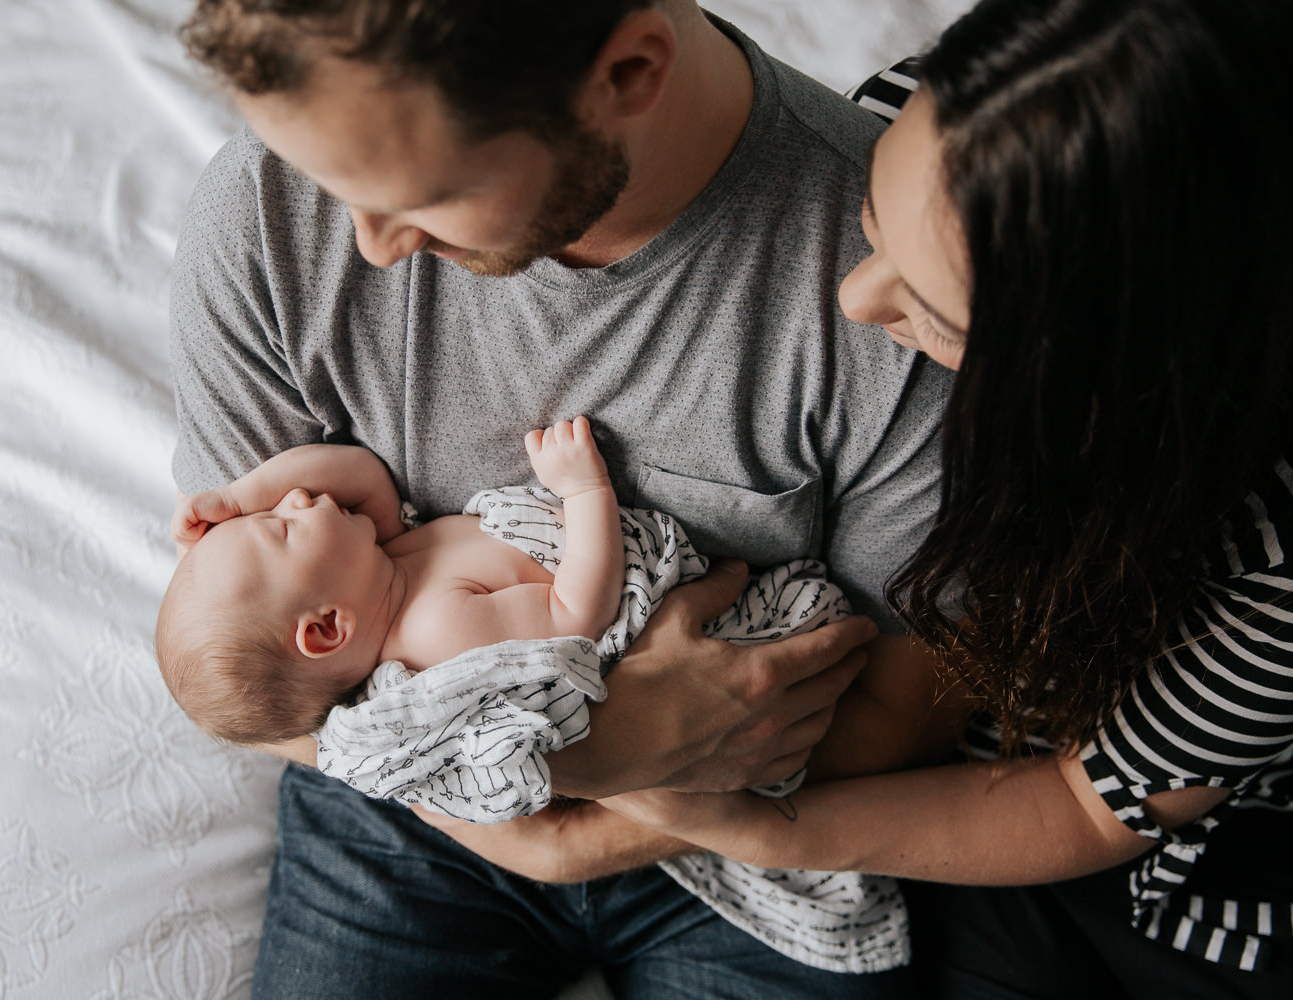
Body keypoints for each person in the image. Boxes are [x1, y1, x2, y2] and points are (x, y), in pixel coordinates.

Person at [487, 0, 1290, 996]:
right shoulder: (944, 124)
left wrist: (756, 828)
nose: (854, 299)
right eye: (871, 217)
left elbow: (1082, 809)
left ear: (1125, 388)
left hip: (1150, 867)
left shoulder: (1267, 580)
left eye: (939, 315)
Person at [168, 0, 953, 994]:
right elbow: (248, 670)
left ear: (628, 73)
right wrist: (574, 775)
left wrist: (638, 792)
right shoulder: (273, 204)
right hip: (410, 792)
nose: (365, 245)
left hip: (746, 811)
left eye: (427, 195)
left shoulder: (899, 287)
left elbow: (910, 701)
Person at [156, 418, 624, 748]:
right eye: (283, 528)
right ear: (327, 627)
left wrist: (235, 497)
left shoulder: (384, 567)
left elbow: (361, 475)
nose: (293, 497)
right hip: (614, 567)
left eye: (271, 508)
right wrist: (585, 490)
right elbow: (578, 616)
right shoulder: (437, 631)